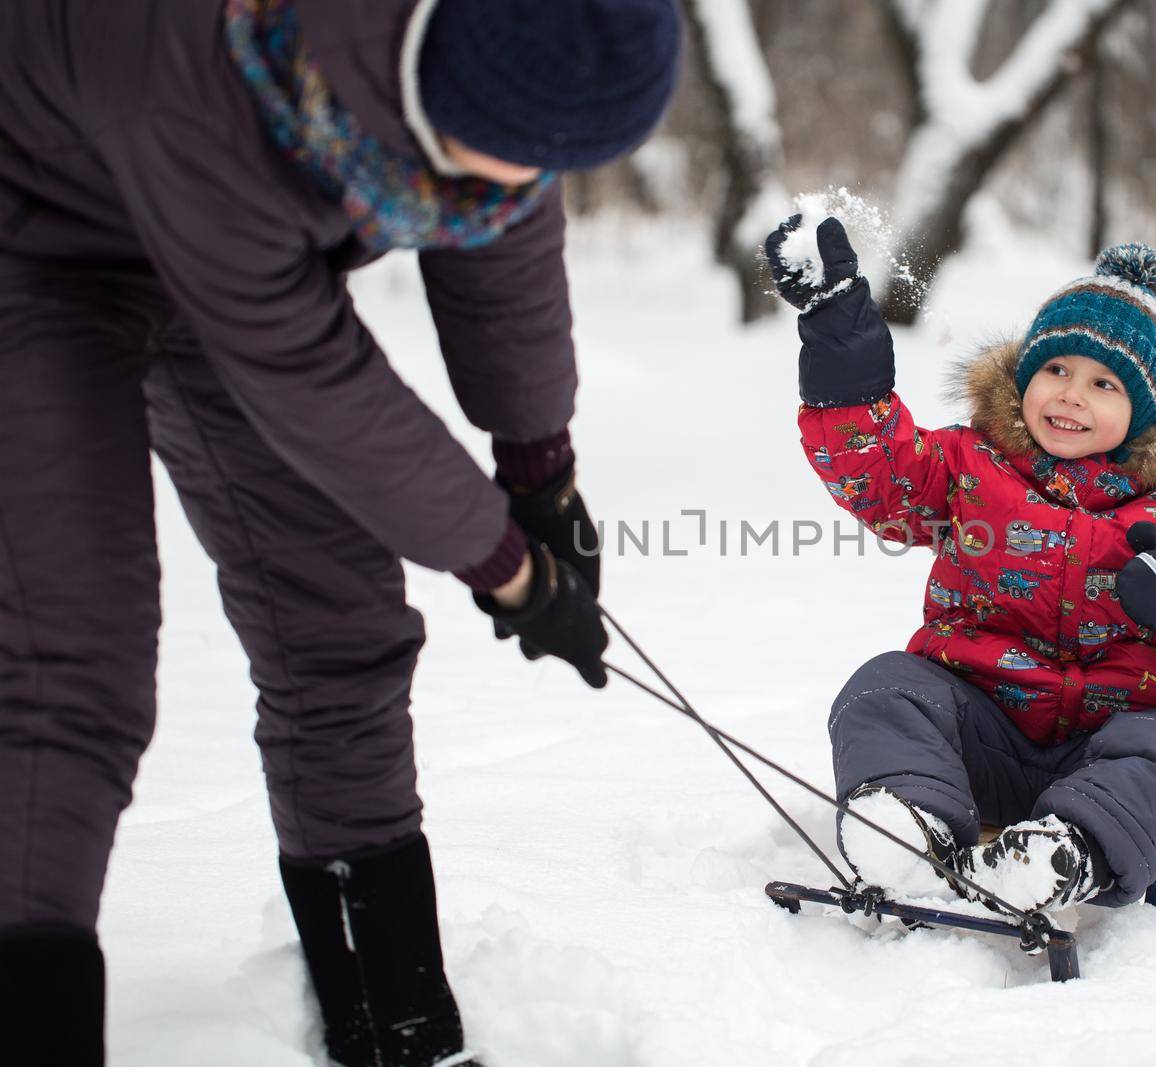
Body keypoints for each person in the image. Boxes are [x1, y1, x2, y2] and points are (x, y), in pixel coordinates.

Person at [0, 1, 679, 1063]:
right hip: (34, 224)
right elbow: (306, 378)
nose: (500, 187)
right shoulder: (206, 76)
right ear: (425, 80)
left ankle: (397, 1025)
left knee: (339, 622)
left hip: (231, 247)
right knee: (67, 673)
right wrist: (504, 566)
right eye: (485, 159)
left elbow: (500, 222)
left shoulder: (491, 70)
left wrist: (538, 465)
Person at [764, 217, 1156, 915]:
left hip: (1111, 749)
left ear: (1143, 415)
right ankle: (909, 827)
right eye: (1056, 369)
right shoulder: (970, 466)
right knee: (885, 687)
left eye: (1105, 383)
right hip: (976, 736)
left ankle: (1065, 852)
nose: (1072, 393)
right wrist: (843, 345)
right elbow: (877, 471)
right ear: (1024, 376)